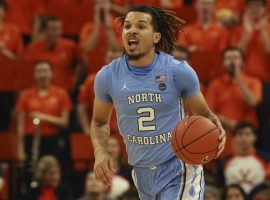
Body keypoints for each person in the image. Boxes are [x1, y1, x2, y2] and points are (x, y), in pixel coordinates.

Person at [90, 5, 226, 200]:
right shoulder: (107, 76)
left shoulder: (178, 71)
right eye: (127, 26)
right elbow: (99, 122)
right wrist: (101, 152)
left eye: (141, 26)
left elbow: (204, 115)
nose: (132, 31)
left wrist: (215, 126)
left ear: (156, 37)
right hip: (141, 171)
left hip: (179, 166)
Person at [206, 47, 262, 155]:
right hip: (222, 134)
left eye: (236, 58)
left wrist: (238, 76)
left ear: (242, 62)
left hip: (247, 136)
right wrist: (229, 123)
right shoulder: (215, 84)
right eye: (228, 58)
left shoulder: (254, 82)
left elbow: (252, 102)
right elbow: (208, 111)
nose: (232, 61)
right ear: (223, 63)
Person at [15, 60, 72, 162]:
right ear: (34, 74)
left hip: (53, 140)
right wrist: (20, 148)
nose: (42, 75)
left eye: (45, 71)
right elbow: (20, 125)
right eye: (39, 71)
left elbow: (64, 122)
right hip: (31, 140)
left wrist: (43, 117)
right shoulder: (25, 95)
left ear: (51, 73)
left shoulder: (61, 93)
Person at [24, 15, 82, 90]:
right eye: (53, 29)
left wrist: (75, 79)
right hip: (40, 92)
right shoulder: (32, 48)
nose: (58, 32)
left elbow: (82, 63)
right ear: (44, 31)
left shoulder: (70, 46)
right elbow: (25, 71)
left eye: (59, 29)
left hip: (65, 90)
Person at [215, 121, 270, 194]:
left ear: (255, 137)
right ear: (234, 138)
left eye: (247, 134)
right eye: (240, 134)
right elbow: (219, 189)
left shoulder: (266, 159)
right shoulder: (223, 162)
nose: (244, 138)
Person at [77, 46, 122, 134]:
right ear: (106, 59)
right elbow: (82, 106)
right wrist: (86, 129)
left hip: (123, 133)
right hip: (98, 132)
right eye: (111, 59)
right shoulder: (91, 80)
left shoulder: (130, 81)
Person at [230, 0, 270, 83]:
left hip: (267, 78)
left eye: (258, 6)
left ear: (264, 9)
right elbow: (236, 54)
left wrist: (263, 30)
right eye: (251, 6)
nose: (254, 9)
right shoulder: (238, 30)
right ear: (246, 8)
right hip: (245, 79)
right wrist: (247, 33)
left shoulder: (268, 28)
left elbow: (268, 50)